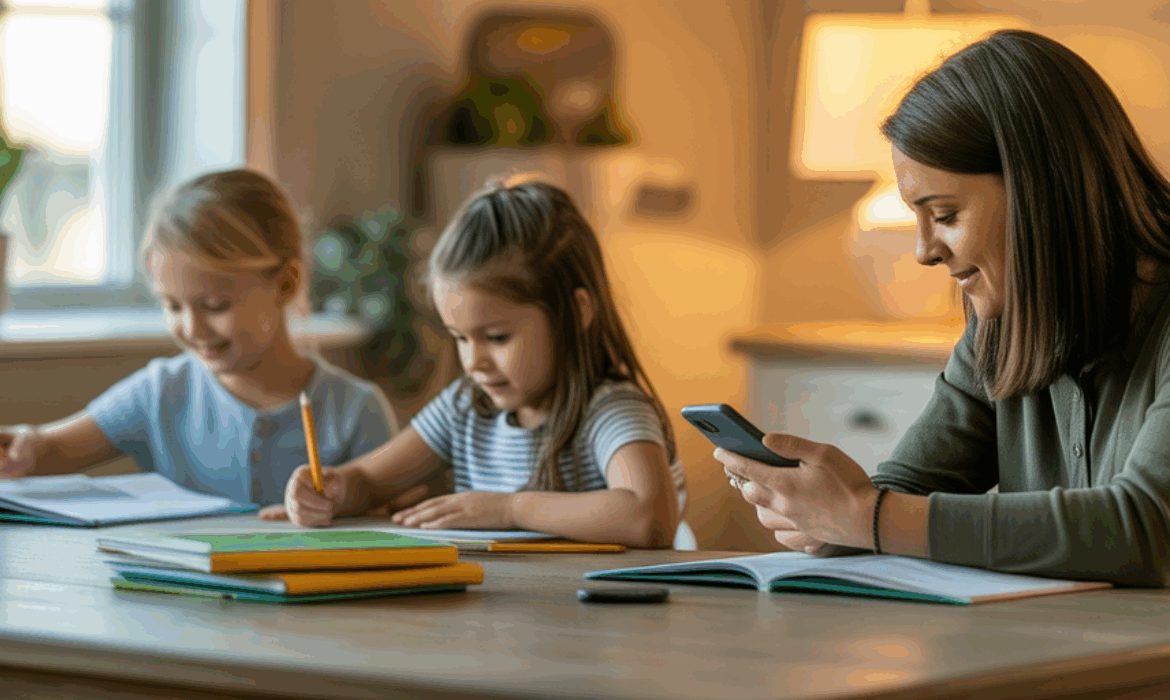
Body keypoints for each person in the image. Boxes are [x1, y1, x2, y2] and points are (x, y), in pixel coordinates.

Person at [717, 29, 1170, 586]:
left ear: (1039, 190)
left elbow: (1146, 527)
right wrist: (822, 517)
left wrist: (865, 515)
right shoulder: (1002, 326)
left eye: (947, 214)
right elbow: (905, 495)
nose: (924, 250)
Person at [272, 177, 686, 548]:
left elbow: (647, 516)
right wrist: (330, 488)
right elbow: (370, 481)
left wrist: (510, 509)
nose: (474, 362)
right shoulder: (465, 407)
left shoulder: (610, 409)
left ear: (575, 313)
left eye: (497, 337)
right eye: (460, 339)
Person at [0, 169, 398, 508]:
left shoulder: (357, 413)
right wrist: (26, 446)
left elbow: (393, 520)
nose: (191, 329)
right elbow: (53, 448)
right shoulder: (161, 393)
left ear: (286, 284)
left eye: (214, 305)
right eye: (172, 306)